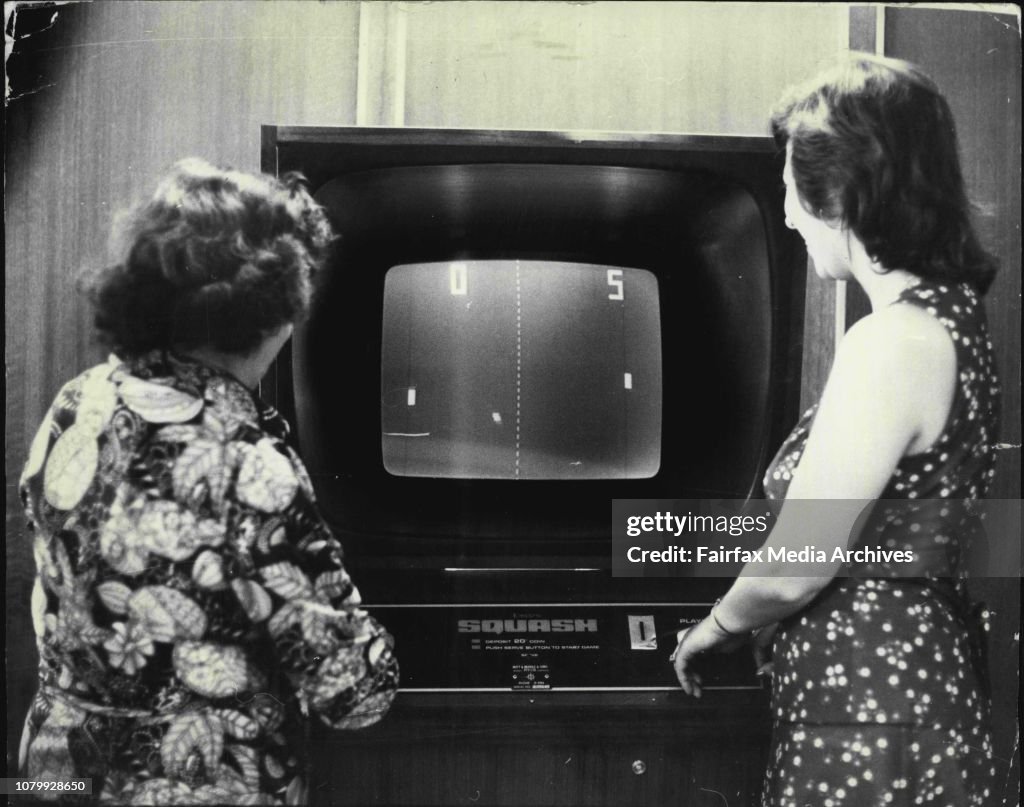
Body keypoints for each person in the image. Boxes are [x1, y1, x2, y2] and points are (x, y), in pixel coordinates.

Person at [671, 55, 999, 806]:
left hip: (871, 714)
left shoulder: (891, 342)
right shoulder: (953, 320)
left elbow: (797, 564)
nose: (785, 214)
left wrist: (715, 626)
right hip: (915, 697)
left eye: (791, 188)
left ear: (843, 193)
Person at [18, 159, 399, 805]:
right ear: (274, 308)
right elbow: (354, 695)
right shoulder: (249, 464)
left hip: (55, 776)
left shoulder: (75, 402)